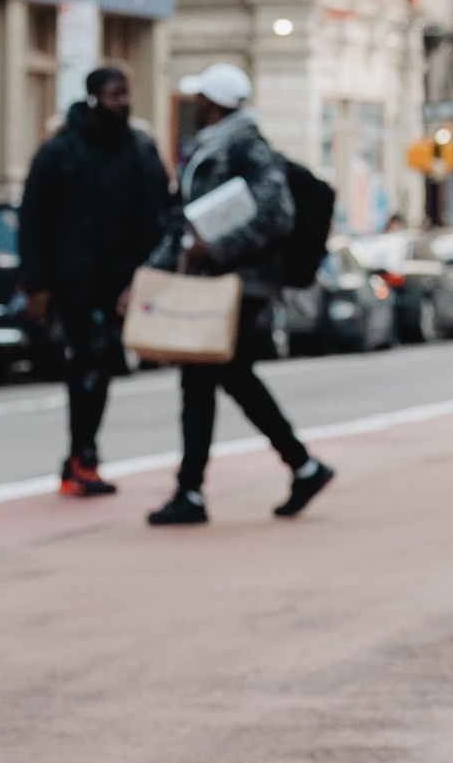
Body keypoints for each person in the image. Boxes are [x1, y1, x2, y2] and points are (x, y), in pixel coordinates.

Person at [141, 65, 333, 528]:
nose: (195, 106)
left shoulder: (246, 148)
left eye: (201, 98)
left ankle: (193, 490)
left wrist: (217, 248)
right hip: (217, 283)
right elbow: (183, 220)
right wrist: (151, 272)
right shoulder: (212, 147)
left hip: (237, 285)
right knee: (229, 378)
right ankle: (301, 465)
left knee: (203, 381)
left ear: (214, 102)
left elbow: (277, 214)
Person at [16, 61, 170, 497]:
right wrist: (38, 284)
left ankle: (82, 455)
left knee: (100, 369)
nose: (121, 102)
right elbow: (33, 220)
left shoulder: (141, 150)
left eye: (125, 93)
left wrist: (151, 272)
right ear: (92, 98)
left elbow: (160, 213)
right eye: (113, 94)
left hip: (126, 282)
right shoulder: (59, 153)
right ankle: (82, 457)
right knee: (89, 365)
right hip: (76, 281)